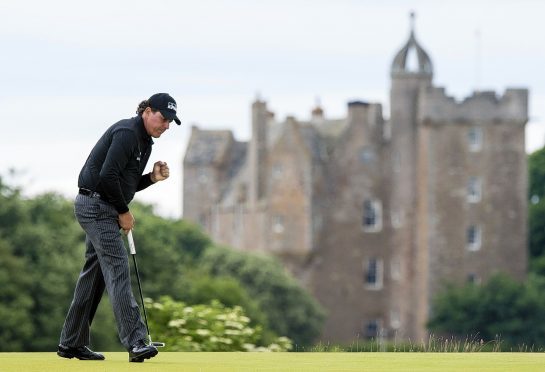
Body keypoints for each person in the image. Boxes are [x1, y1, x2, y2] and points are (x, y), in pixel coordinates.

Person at [57, 93, 181, 363]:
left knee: (96, 275)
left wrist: (151, 178)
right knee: (118, 270)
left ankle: (71, 343)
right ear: (147, 111)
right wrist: (124, 212)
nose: (166, 125)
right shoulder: (127, 133)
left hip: (104, 206)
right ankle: (136, 343)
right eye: (163, 118)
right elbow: (107, 177)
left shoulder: (145, 141)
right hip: (95, 206)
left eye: (171, 121)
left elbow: (125, 183)